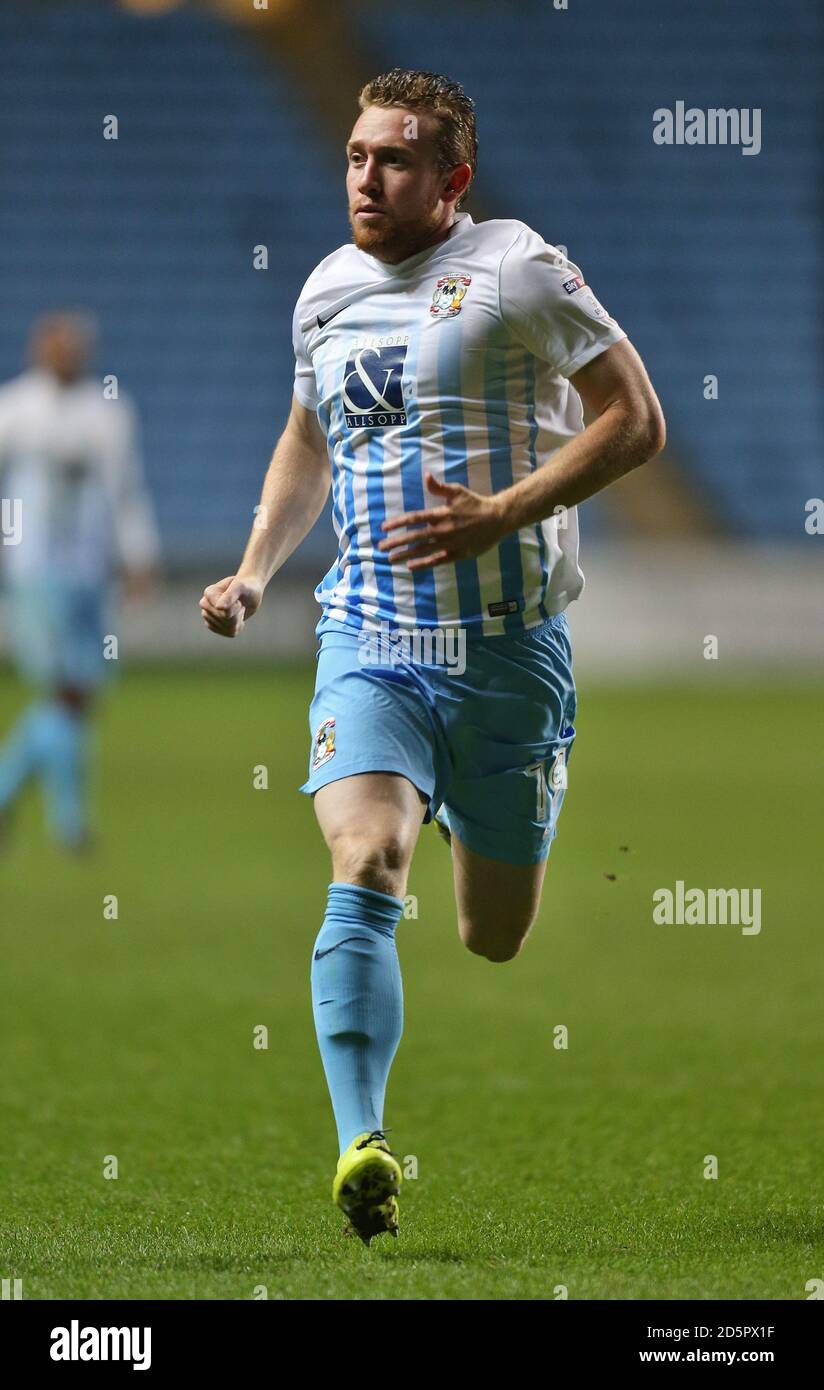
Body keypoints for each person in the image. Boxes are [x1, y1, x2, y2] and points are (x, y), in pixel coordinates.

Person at [199, 69, 665, 1244]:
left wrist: (503, 513)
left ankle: (470, 799)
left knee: (490, 936)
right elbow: (306, 437)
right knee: (364, 861)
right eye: (355, 156)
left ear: (450, 180)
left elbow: (636, 419)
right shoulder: (322, 292)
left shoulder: (518, 269)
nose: (364, 176)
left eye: (394, 160)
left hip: (509, 655)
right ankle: (363, 1140)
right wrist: (256, 569)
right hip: (369, 638)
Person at [0, 311, 159, 850]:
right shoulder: (15, 408)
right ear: (39, 349)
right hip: (34, 569)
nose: (66, 355)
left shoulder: (107, 411)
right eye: (57, 346)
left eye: (75, 347)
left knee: (79, 693)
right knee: (64, 691)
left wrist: (138, 553)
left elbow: (126, 488)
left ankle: (12, 798)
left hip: (90, 570)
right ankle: (69, 822)